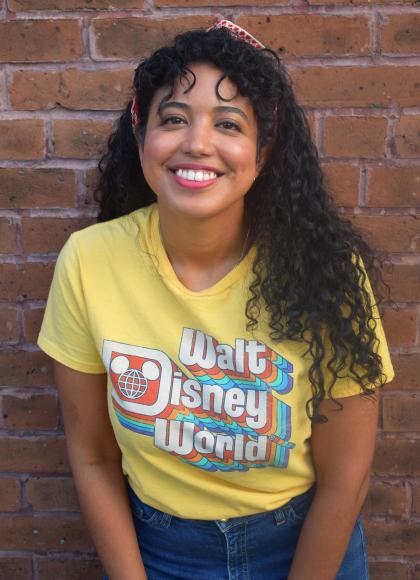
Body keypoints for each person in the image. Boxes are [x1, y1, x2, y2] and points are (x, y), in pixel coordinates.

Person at [38, 20, 394, 580]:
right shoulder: (89, 262)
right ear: (141, 134)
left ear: (263, 150)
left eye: (228, 123)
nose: (198, 143)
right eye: (174, 119)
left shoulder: (328, 273)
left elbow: (345, 478)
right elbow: (93, 456)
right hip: (157, 552)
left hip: (304, 544)